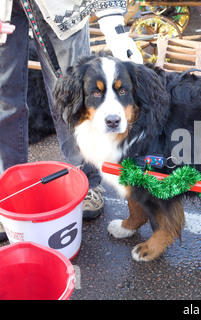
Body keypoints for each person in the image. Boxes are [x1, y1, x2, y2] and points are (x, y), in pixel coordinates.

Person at [0, 0, 143, 241]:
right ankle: (9, 189)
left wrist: (113, 27)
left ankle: (86, 180)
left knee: (71, 97)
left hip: (62, 6)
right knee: (3, 101)